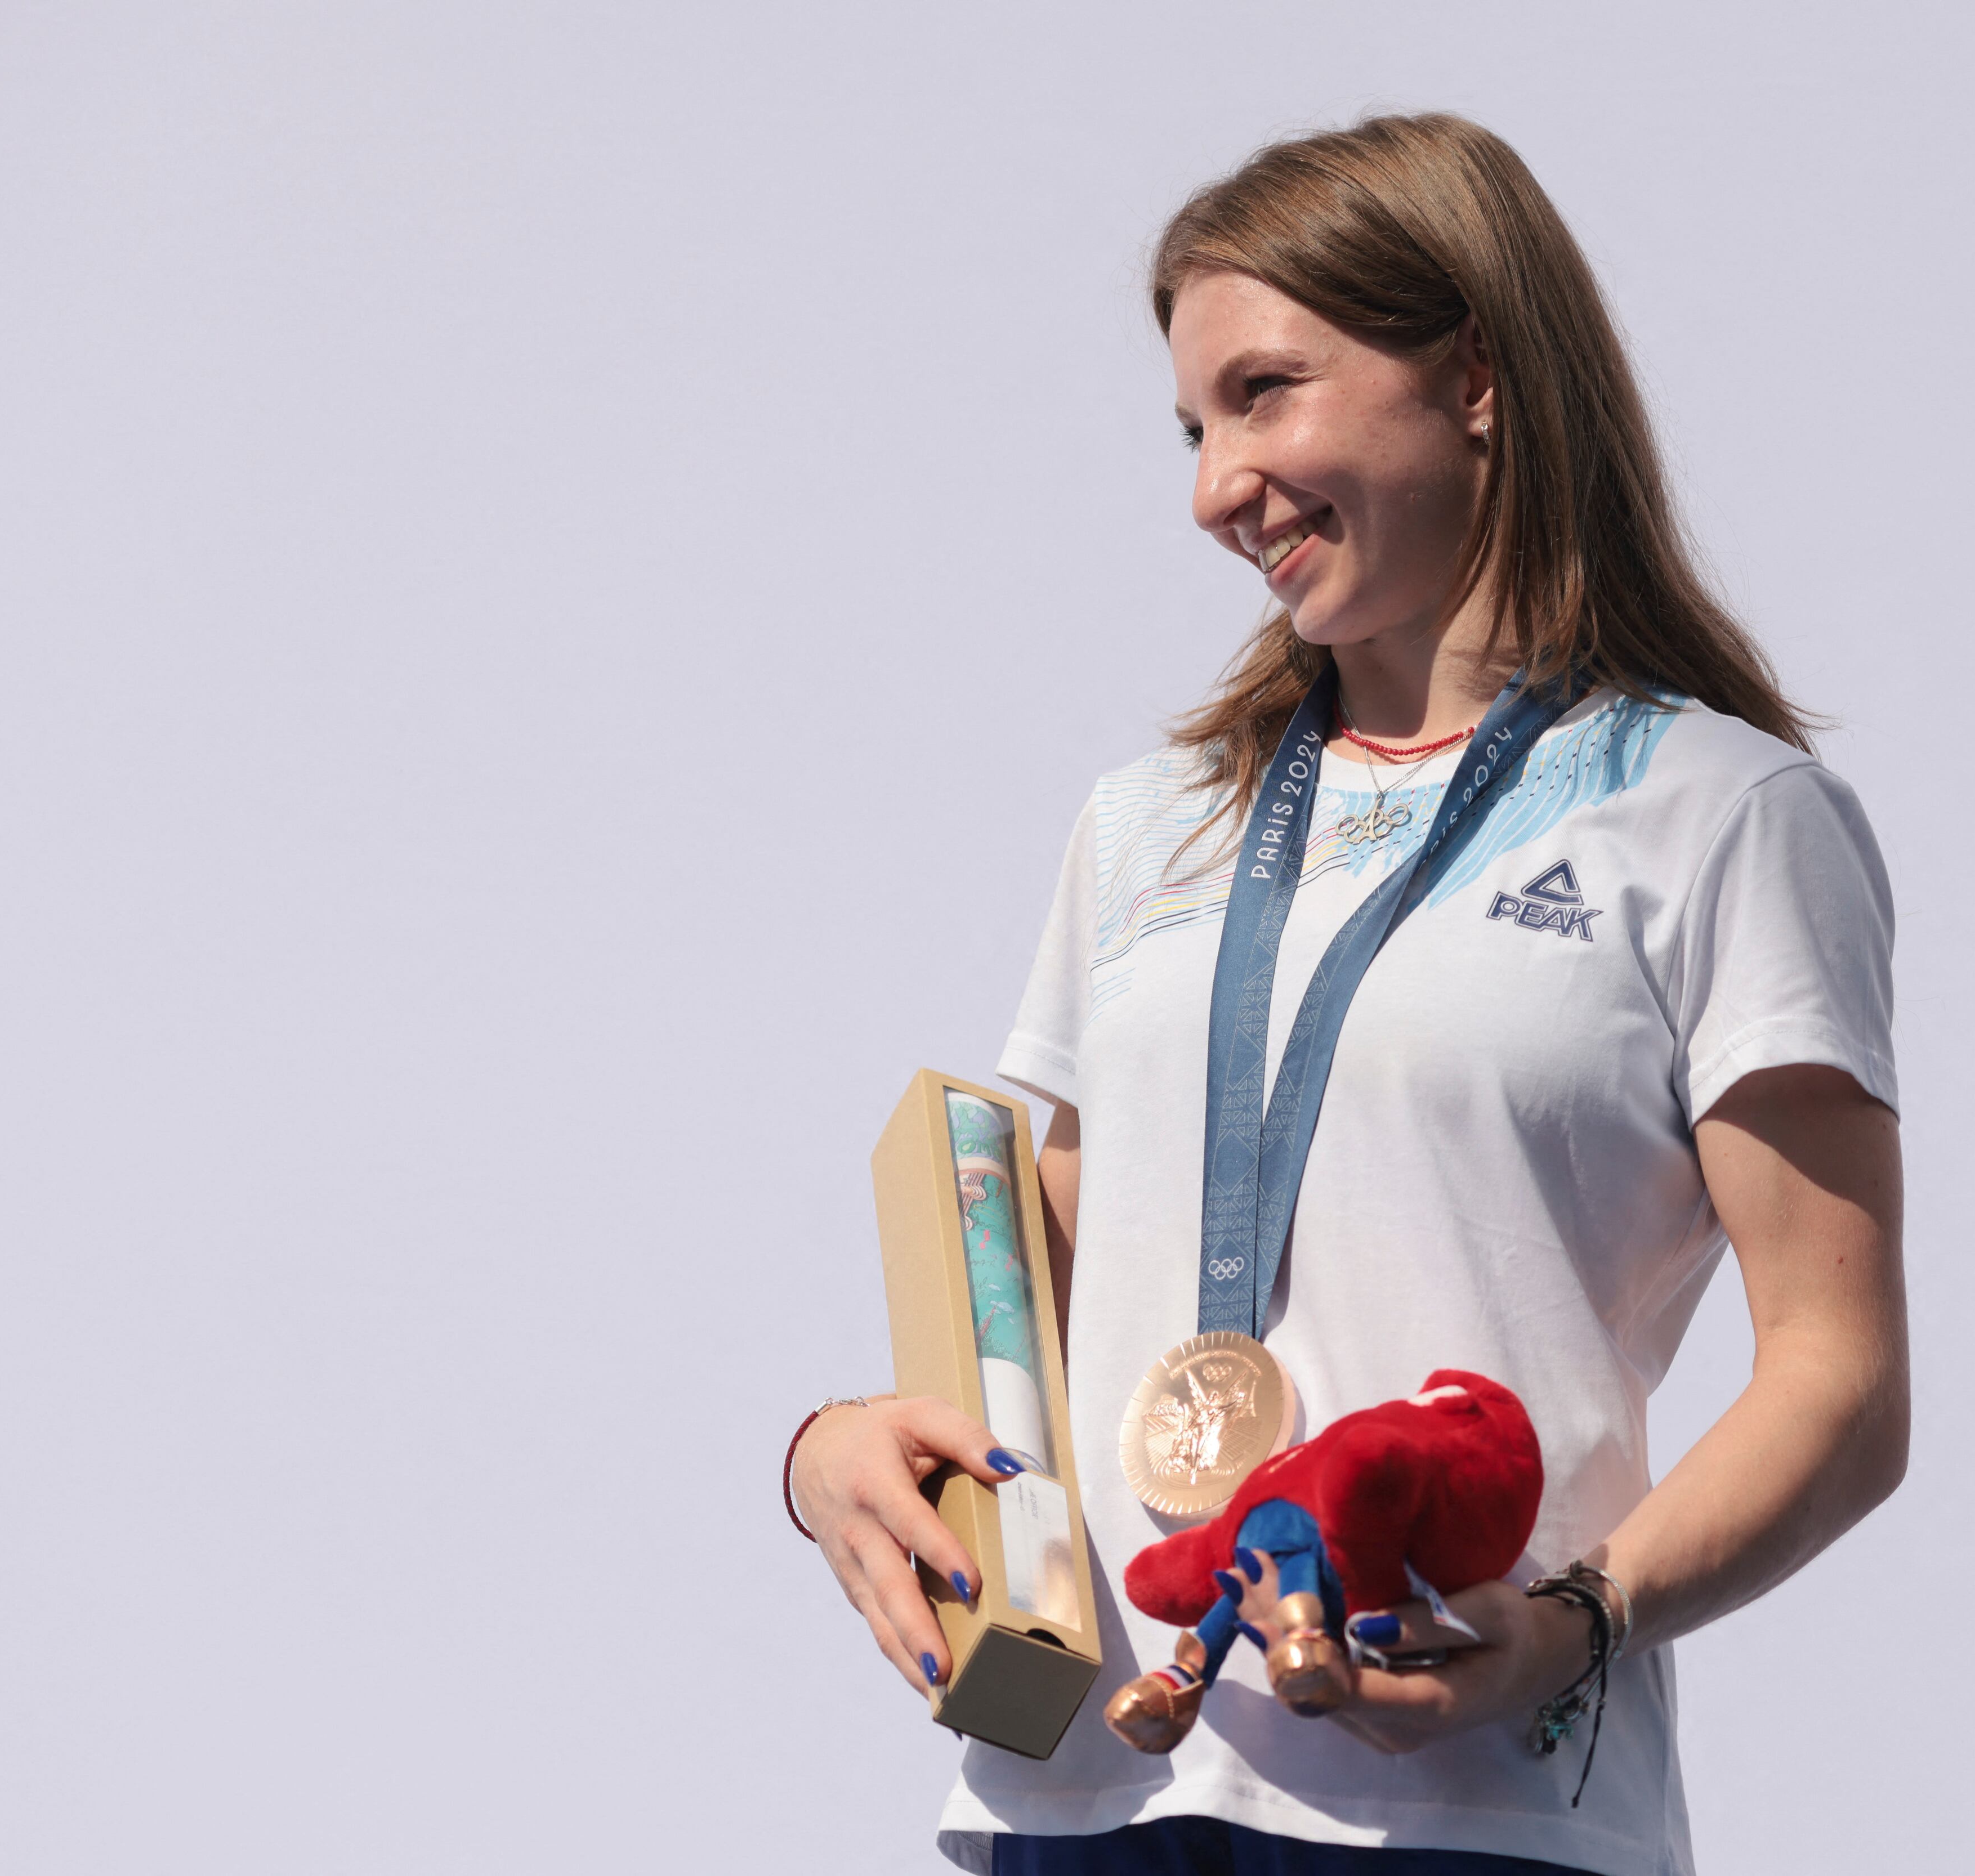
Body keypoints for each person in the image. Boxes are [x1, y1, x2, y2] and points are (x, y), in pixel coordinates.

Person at [789, 113, 1909, 1876]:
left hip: (1469, 1804)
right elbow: (1038, 1308)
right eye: (1192, 425)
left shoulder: (1721, 816)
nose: (1213, 484)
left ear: (1472, 373)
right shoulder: (1148, 823)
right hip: (1088, 1790)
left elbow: (1841, 1383)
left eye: (1265, 394)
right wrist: (834, 1450)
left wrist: (1574, 1624)